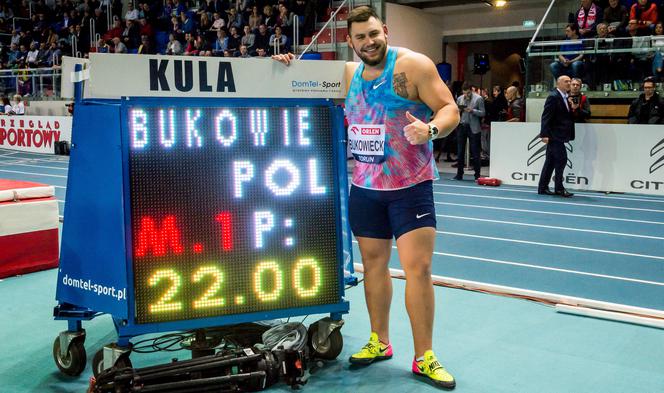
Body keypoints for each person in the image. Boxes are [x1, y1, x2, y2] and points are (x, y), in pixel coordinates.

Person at [272, 6, 459, 390]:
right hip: (367, 189)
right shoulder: (346, 74)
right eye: (360, 37)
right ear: (350, 41)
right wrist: (287, 62)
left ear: (384, 30)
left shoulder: (414, 66)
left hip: (411, 188)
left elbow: (450, 108)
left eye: (373, 34)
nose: (368, 42)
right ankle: (379, 341)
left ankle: (424, 356)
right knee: (373, 268)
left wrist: (431, 130)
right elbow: (292, 80)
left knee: (417, 270)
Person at [538, 76, 574, 198]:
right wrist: (544, 134)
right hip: (554, 135)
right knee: (562, 160)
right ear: (558, 84)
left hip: (559, 134)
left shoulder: (566, 97)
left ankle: (542, 187)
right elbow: (546, 116)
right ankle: (559, 188)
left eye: (570, 81)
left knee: (550, 161)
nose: (569, 83)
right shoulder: (553, 97)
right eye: (566, 82)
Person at [453, 82, 485, 180]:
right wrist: (458, 110)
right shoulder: (459, 99)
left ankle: (477, 175)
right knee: (460, 151)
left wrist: (472, 111)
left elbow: (483, 113)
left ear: (471, 90)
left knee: (475, 152)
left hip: (474, 127)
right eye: (465, 93)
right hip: (462, 126)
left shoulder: (478, 99)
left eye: (468, 93)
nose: (466, 95)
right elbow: (456, 112)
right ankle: (459, 174)